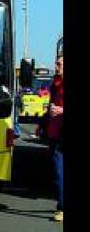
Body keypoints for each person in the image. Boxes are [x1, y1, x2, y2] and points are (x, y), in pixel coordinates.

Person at [47, 54, 63, 222]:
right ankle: (61, 207)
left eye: (59, 64)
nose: (57, 66)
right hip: (56, 132)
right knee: (58, 172)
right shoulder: (55, 82)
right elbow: (52, 103)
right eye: (56, 63)